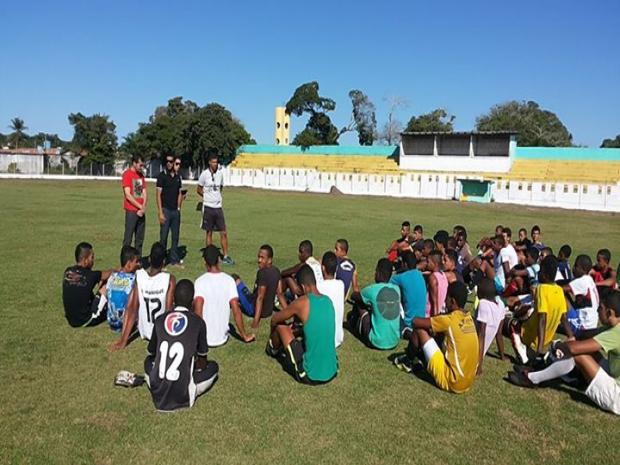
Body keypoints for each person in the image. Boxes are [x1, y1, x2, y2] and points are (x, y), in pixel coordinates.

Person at [507, 290, 620, 416]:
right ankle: (541, 369)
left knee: (579, 354)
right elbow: (585, 334)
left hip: (617, 397)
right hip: (613, 375)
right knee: (584, 349)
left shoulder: (616, 333)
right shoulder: (615, 326)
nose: (598, 310)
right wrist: (573, 339)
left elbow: (574, 350)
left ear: (610, 313)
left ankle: (533, 379)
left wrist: (559, 345)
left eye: (601, 308)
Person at [144, 279, 219, 411]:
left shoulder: (160, 319)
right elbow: (202, 363)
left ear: (173, 298)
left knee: (147, 362)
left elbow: (152, 354)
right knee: (214, 367)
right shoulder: (198, 322)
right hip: (184, 395)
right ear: (192, 302)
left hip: (158, 388)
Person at [395, 281, 479, 394]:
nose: (445, 301)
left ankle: (408, 361)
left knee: (420, 330)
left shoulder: (449, 320)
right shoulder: (470, 319)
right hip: (467, 382)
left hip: (452, 382)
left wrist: (436, 318)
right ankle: (419, 358)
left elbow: (415, 322)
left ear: (452, 301)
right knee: (441, 334)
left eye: (447, 298)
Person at [266, 265, 338, 385]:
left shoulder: (303, 302)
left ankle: (272, 349)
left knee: (280, 326)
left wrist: (273, 333)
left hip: (311, 375)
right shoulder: (328, 300)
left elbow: (275, 319)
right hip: (332, 369)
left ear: (303, 287)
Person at [508, 255, 573, 365]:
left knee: (509, 324)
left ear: (544, 273)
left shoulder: (541, 289)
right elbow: (564, 318)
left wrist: (539, 349)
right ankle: (529, 351)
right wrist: (571, 337)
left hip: (530, 335)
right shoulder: (559, 290)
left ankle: (525, 353)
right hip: (547, 338)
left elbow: (542, 318)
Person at [110, 242, 175, 350]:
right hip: (160, 334)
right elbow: (168, 311)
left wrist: (123, 340)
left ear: (149, 259)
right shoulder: (170, 279)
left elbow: (131, 308)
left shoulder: (140, 276)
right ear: (164, 262)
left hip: (144, 331)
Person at [194, 245, 255, 346]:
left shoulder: (199, 282)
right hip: (222, 338)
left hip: (204, 339)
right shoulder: (229, 280)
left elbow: (198, 311)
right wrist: (244, 335)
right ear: (219, 260)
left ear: (205, 263)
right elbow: (236, 310)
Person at [348, 258, 401, 350]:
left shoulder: (372, 290)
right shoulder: (397, 289)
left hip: (376, 342)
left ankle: (354, 322)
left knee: (360, 302)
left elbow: (354, 296)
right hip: (395, 340)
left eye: (376, 271)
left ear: (378, 272)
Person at [62, 242, 113, 328]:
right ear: (85, 260)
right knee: (105, 284)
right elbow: (111, 273)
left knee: (82, 288)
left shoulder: (68, 271)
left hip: (71, 320)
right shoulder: (92, 275)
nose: (93, 261)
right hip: (86, 320)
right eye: (92, 258)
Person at [234, 244, 284, 330]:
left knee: (235, 278)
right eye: (258, 257)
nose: (259, 260)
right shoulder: (276, 271)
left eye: (262, 258)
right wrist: (288, 311)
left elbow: (260, 298)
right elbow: (280, 294)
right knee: (247, 293)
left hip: (253, 309)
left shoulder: (262, 273)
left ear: (269, 260)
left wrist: (255, 322)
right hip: (268, 312)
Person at [197, 152, 234, 265]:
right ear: (209, 163)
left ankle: (226, 256)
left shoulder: (220, 174)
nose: (215, 164)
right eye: (213, 162)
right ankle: (209, 256)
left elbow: (220, 187)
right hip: (208, 207)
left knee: (223, 232)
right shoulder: (204, 175)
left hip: (218, 207)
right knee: (209, 233)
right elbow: (198, 189)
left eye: (216, 162)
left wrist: (216, 197)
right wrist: (207, 197)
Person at [390, 253, 427, 337]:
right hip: (421, 319)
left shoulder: (401, 277)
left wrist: (397, 271)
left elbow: (386, 279)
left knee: (393, 292)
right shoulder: (420, 274)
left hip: (409, 322)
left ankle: (403, 328)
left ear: (405, 264)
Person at [156, 154, 184, 266]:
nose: (169, 163)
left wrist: (178, 208)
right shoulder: (162, 176)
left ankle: (173, 259)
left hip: (175, 211)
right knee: (163, 237)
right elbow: (158, 195)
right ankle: (161, 261)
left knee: (175, 236)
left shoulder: (178, 177)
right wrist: (160, 212)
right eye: (167, 161)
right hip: (166, 210)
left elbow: (180, 193)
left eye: (171, 161)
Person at [105, 245, 141, 332]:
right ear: (128, 264)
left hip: (112, 322)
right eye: (137, 262)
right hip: (128, 324)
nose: (139, 264)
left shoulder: (112, 277)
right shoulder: (134, 279)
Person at [475, 278, 506, 374]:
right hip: (480, 352)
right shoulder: (501, 305)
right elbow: (499, 334)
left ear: (482, 295)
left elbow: (481, 334)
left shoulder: (483, 304)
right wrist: (502, 356)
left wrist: (479, 365)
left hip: (474, 352)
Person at [564, 255, 600, 336]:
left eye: (576, 266)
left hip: (584, 325)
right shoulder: (588, 279)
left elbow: (561, 289)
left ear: (583, 269)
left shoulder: (582, 281)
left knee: (560, 294)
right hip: (591, 323)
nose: (573, 268)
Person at [317, 251, 345, 348]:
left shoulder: (318, 287)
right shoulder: (341, 285)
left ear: (323, 268)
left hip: (323, 339)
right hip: (338, 338)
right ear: (336, 268)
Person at [122, 154, 147, 256]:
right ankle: (125, 262)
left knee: (139, 240)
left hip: (141, 212)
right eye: (140, 165)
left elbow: (143, 192)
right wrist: (140, 206)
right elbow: (128, 195)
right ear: (134, 163)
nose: (142, 167)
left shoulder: (140, 176)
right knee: (128, 239)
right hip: (131, 211)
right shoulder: (127, 174)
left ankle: (138, 262)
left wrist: (143, 206)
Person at [426, 251, 448, 316]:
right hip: (440, 311)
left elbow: (434, 302)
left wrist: (435, 320)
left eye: (428, 262)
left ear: (435, 264)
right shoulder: (443, 275)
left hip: (429, 315)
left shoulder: (432, 278)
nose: (427, 264)